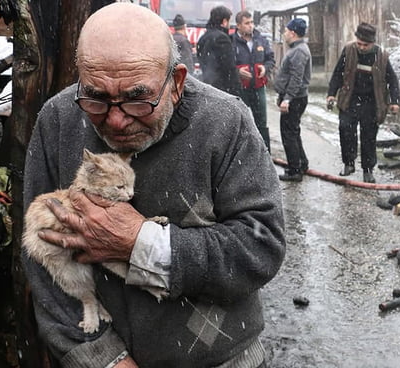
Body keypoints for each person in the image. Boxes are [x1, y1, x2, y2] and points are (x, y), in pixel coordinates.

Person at [21, 3, 285, 367]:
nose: (115, 120)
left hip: (224, 359)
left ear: (176, 82)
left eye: (137, 98)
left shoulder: (226, 122)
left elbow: (261, 247)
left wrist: (141, 244)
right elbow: (40, 260)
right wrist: (102, 358)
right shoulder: (59, 120)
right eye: (96, 97)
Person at [327, 22, 400, 183]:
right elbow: (338, 73)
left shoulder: (381, 56)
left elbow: (392, 80)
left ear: (372, 43)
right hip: (350, 99)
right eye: (359, 43)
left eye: (365, 45)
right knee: (345, 129)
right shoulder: (349, 50)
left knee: (368, 136)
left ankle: (368, 170)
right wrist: (331, 94)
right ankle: (349, 163)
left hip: (372, 102)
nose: (361, 47)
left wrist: (395, 101)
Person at [273, 18, 311, 182]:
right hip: (294, 97)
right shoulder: (297, 49)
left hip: (295, 98)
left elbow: (297, 78)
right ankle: (301, 163)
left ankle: (295, 170)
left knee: (288, 133)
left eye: (286, 31)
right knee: (293, 132)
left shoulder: (299, 51)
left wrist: (287, 99)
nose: (284, 34)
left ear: (293, 33)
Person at [232, 10, 275, 152]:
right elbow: (226, 64)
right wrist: (237, 72)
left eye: (252, 22)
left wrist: (265, 68)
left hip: (258, 88)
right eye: (247, 23)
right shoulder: (231, 41)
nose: (251, 26)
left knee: (261, 122)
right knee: (240, 122)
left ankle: (265, 152)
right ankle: (243, 153)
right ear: (238, 25)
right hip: (240, 89)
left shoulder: (260, 39)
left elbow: (270, 59)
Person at [196, 5, 240, 95]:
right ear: (224, 22)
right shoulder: (222, 39)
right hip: (222, 89)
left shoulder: (203, 38)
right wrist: (237, 90)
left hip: (207, 87)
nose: (229, 25)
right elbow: (229, 68)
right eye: (229, 21)